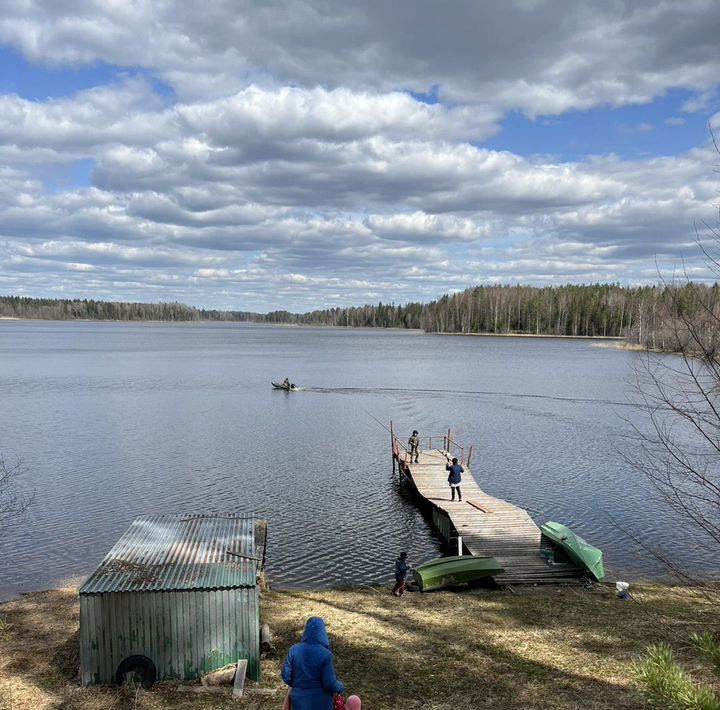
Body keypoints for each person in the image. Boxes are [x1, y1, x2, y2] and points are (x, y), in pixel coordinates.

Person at [281, 616, 344, 710]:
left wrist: (298, 684)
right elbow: (329, 683)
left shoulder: (293, 650)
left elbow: (286, 675)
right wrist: (339, 687)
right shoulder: (325, 654)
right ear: (323, 633)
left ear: (306, 632)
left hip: (298, 702)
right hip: (321, 703)